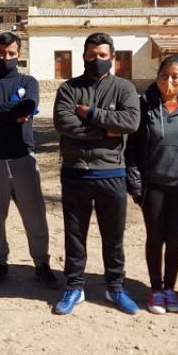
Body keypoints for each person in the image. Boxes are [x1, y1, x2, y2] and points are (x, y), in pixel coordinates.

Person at [52, 32, 141, 315]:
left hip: (112, 173)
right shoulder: (69, 89)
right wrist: (107, 131)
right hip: (75, 172)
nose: (97, 60)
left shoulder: (124, 88)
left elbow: (131, 122)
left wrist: (90, 114)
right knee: (74, 236)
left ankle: (115, 287)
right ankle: (74, 286)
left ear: (112, 57)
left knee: (113, 237)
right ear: (84, 56)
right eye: (92, 55)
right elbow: (64, 124)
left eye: (103, 55)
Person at [0, 32, 59, 289]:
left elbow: (27, 107)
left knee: (35, 216)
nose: (5, 57)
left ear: (19, 55)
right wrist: (10, 114)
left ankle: (42, 264)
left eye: (11, 53)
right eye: (1, 52)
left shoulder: (28, 82)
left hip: (23, 159)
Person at [126, 55, 178, 315]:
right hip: (154, 186)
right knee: (155, 237)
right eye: (163, 75)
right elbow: (132, 148)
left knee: (175, 238)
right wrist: (135, 183)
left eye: (175, 76)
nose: (168, 81)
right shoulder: (145, 104)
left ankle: (170, 288)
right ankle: (156, 289)